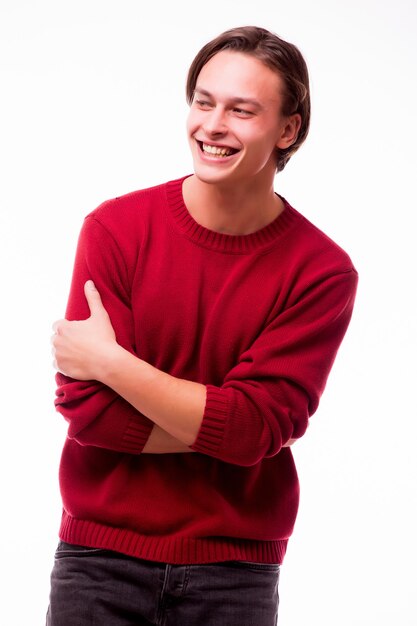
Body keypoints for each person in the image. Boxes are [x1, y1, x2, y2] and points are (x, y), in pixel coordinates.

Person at [47, 25, 358, 625]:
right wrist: (234, 431)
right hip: (97, 559)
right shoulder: (115, 230)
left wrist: (113, 364)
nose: (212, 126)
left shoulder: (321, 272)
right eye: (203, 101)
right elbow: (90, 413)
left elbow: (256, 429)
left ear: (288, 129)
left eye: (242, 110)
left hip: (235, 571)